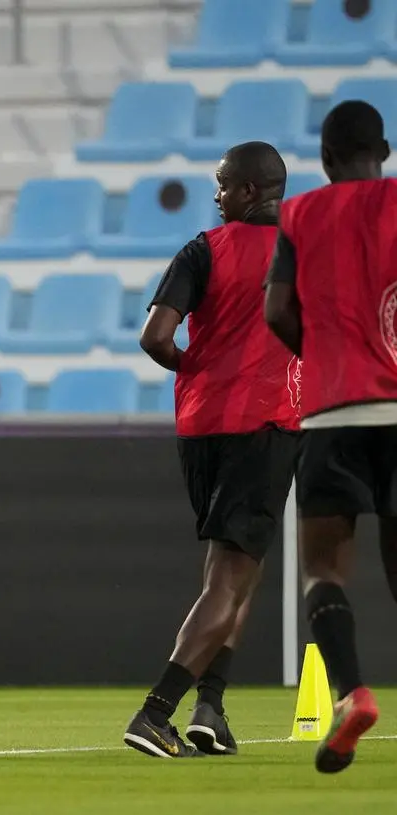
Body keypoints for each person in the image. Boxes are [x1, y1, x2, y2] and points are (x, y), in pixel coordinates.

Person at [124, 142, 301, 759]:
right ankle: (156, 711)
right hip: (268, 423)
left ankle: (211, 709)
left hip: (200, 428)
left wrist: (198, 370)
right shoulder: (304, 250)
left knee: (230, 568)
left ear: (251, 189)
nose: (217, 194)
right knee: (233, 575)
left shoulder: (203, 248)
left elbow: (154, 337)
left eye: (224, 185)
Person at [265, 99, 397, 774]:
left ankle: (352, 696)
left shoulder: (300, 214)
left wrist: (317, 354)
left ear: (323, 160)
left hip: (332, 412)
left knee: (323, 569)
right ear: (386, 149)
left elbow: (277, 310)